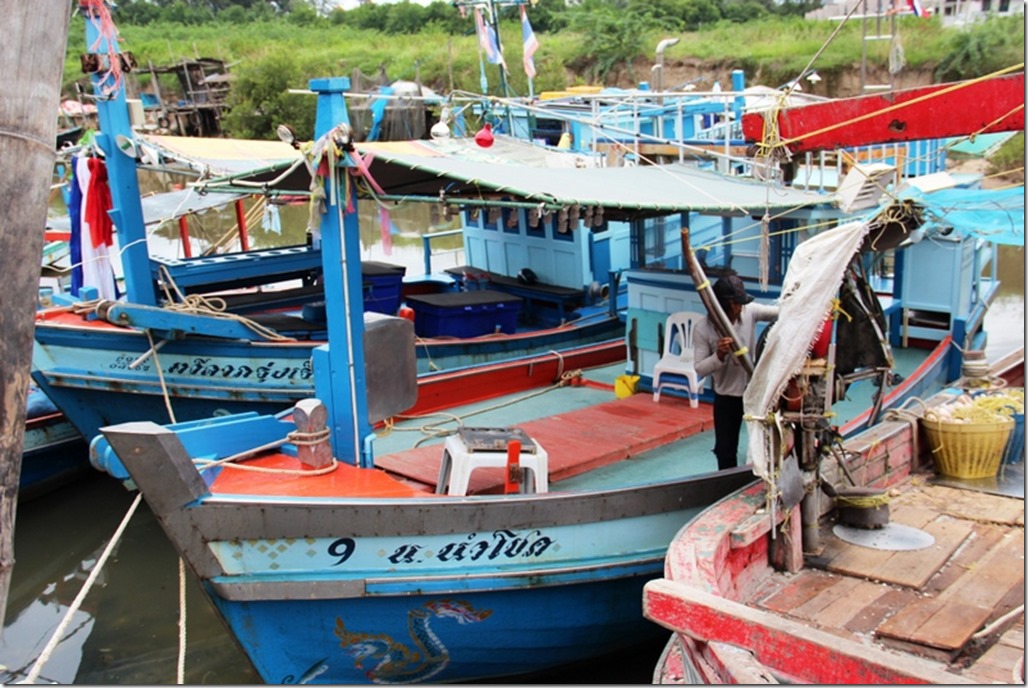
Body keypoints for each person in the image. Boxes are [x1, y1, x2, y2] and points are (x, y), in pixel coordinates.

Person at [693, 273, 778, 470]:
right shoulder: (703, 328)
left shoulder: (749, 312)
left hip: (754, 392)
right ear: (728, 304)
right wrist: (719, 356)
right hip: (726, 396)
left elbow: (778, 312)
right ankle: (726, 489)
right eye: (737, 303)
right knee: (725, 449)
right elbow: (699, 368)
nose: (741, 307)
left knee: (765, 442)